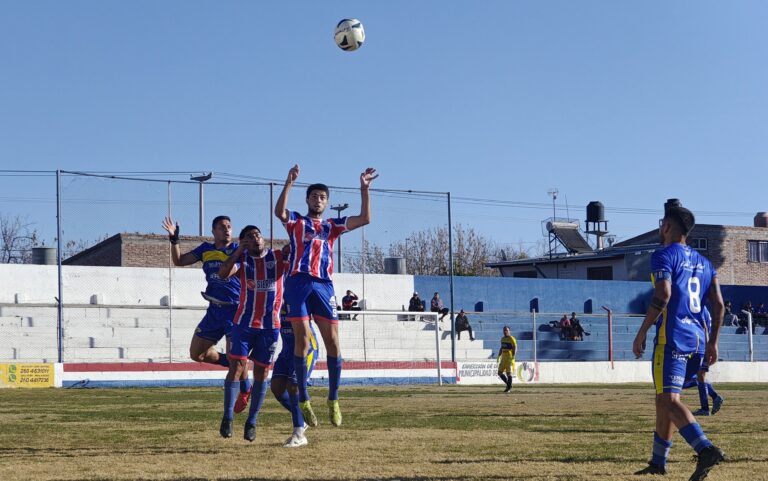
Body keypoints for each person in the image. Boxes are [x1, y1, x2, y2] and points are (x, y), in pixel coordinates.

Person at [275, 164, 378, 427]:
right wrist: (288, 182)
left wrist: (364, 190)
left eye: (322, 197)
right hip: (297, 283)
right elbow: (279, 212)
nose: (318, 200)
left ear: (327, 202)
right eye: (314, 196)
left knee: (333, 342)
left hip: (323, 285)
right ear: (308, 200)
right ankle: (304, 399)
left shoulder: (332, 226)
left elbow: (365, 219)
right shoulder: (297, 221)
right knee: (302, 342)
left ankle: (333, 399)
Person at [632, 206, 725, 479]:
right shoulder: (706, 263)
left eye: (662, 223)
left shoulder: (663, 255)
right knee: (665, 401)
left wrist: (642, 331)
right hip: (697, 341)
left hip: (672, 339)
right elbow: (718, 306)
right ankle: (658, 463)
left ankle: (705, 448)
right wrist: (713, 343)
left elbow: (663, 293)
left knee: (669, 400)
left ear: (667, 227)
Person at [161, 215, 251, 411]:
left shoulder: (238, 251)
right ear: (213, 231)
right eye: (221, 227)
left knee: (236, 359)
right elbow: (179, 261)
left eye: (229, 226)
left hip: (235, 311)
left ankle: (245, 389)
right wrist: (174, 240)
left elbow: (230, 272)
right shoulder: (205, 249)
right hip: (214, 310)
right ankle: (236, 363)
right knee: (197, 354)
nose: (227, 229)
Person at [216, 226, 287, 441]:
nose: (255, 238)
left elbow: (296, 249)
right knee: (236, 366)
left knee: (261, 374)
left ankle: (252, 421)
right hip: (244, 323)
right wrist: (238, 251)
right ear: (244, 242)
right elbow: (222, 274)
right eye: (249, 237)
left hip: (270, 326)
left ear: (263, 239)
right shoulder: (242, 260)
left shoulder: (277, 257)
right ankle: (227, 418)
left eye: (257, 235)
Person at [270, 311, 319, 448]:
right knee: (276, 387)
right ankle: (301, 419)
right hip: (287, 350)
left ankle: (299, 435)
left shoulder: (298, 294)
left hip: (305, 348)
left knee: (293, 386)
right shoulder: (276, 297)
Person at [683, 307, 724, 417]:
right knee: (700, 376)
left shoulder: (698, 307)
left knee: (691, 379)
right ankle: (713, 399)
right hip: (703, 345)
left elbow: (704, 328)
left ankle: (706, 407)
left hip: (701, 346)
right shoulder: (704, 308)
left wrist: (707, 348)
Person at [497, 326, 517, 393]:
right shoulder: (502, 339)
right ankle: (509, 385)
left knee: (509, 373)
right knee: (499, 373)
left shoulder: (511, 338)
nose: (505, 331)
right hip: (503, 358)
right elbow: (501, 347)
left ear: (509, 331)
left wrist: (513, 356)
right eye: (504, 330)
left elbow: (515, 347)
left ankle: (508, 388)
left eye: (507, 330)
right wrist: (499, 355)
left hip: (509, 358)